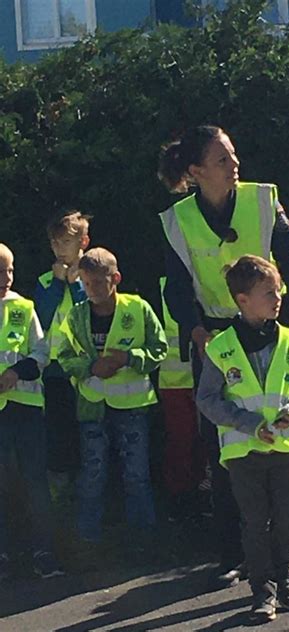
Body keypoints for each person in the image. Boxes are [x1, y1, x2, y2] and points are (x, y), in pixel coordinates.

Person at [159, 124, 289, 587]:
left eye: (233, 156)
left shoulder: (263, 202)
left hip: (270, 332)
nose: (234, 165)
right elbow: (178, 290)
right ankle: (234, 554)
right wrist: (197, 333)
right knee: (227, 446)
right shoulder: (178, 221)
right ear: (197, 172)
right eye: (222, 160)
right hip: (217, 339)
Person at [197, 256, 289, 623]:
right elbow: (207, 399)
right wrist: (249, 424)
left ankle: (287, 580)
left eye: (279, 289)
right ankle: (262, 593)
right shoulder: (220, 348)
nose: (278, 297)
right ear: (242, 299)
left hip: (287, 447)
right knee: (255, 522)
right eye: (269, 292)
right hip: (244, 450)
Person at [57, 248, 168, 550]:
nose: (90, 289)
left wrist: (129, 358)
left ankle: (143, 538)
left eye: (96, 282)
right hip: (92, 406)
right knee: (92, 472)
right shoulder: (76, 315)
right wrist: (90, 367)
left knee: (137, 473)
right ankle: (87, 537)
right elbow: (64, 355)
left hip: (133, 407)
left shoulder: (138, 308)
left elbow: (160, 349)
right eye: (85, 283)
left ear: (115, 278)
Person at [0, 243, 64, 580]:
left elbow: (42, 352)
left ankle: (44, 551)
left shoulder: (23, 308)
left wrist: (16, 372)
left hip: (25, 408)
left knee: (35, 481)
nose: (6, 277)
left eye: (9, 270)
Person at [34, 210, 91, 501]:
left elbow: (91, 313)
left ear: (83, 241)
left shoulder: (93, 275)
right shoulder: (45, 280)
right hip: (55, 369)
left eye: (66, 242)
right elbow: (40, 318)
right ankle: (59, 480)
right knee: (57, 425)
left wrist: (75, 283)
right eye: (55, 243)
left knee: (87, 426)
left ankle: (88, 481)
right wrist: (58, 284)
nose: (60, 249)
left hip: (85, 368)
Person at [158, 277, 208, 521]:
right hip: (175, 381)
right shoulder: (164, 286)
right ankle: (180, 500)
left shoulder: (211, 281)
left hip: (209, 378)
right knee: (181, 441)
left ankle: (203, 495)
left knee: (206, 442)